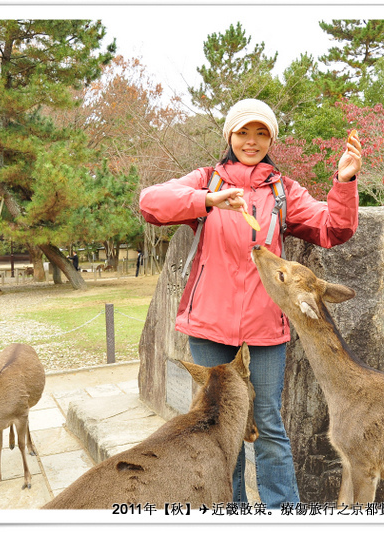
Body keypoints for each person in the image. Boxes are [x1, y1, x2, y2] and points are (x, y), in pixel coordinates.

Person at [139, 98, 361, 508]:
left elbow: (335, 229)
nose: (252, 141)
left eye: (262, 133)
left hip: (264, 327)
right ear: (229, 136)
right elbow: (150, 202)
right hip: (208, 324)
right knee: (221, 426)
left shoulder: (283, 189)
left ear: (271, 139)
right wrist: (206, 200)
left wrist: (344, 182)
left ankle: (282, 512)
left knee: (270, 424)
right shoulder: (209, 179)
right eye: (243, 132)